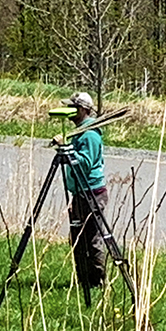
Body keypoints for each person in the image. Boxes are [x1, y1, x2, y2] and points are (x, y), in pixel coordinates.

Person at [53, 92, 107, 288]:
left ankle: (97, 282)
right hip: (79, 193)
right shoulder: (79, 131)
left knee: (92, 239)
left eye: (73, 108)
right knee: (77, 238)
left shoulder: (90, 134)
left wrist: (67, 149)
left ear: (83, 109)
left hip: (92, 193)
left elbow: (84, 164)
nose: (69, 111)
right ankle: (83, 280)